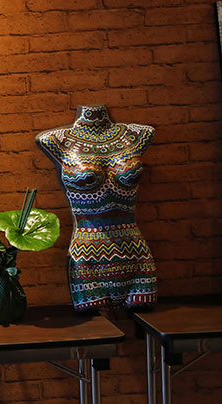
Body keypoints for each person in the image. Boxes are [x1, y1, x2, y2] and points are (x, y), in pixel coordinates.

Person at [36, 105, 157, 312]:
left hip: (136, 254)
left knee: (145, 319)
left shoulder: (139, 135)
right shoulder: (54, 140)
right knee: (94, 327)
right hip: (86, 257)